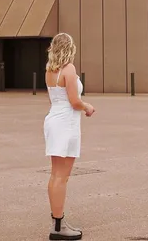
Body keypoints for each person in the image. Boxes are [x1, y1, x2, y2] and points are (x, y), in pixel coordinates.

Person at [44, 33, 95, 240]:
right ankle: (59, 226)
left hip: (54, 119)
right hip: (66, 122)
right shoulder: (69, 69)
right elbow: (74, 101)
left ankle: (57, 221)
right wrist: (87, 106)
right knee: (62, 177)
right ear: (70, 48)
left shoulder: (50, 70)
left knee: (55, 174)